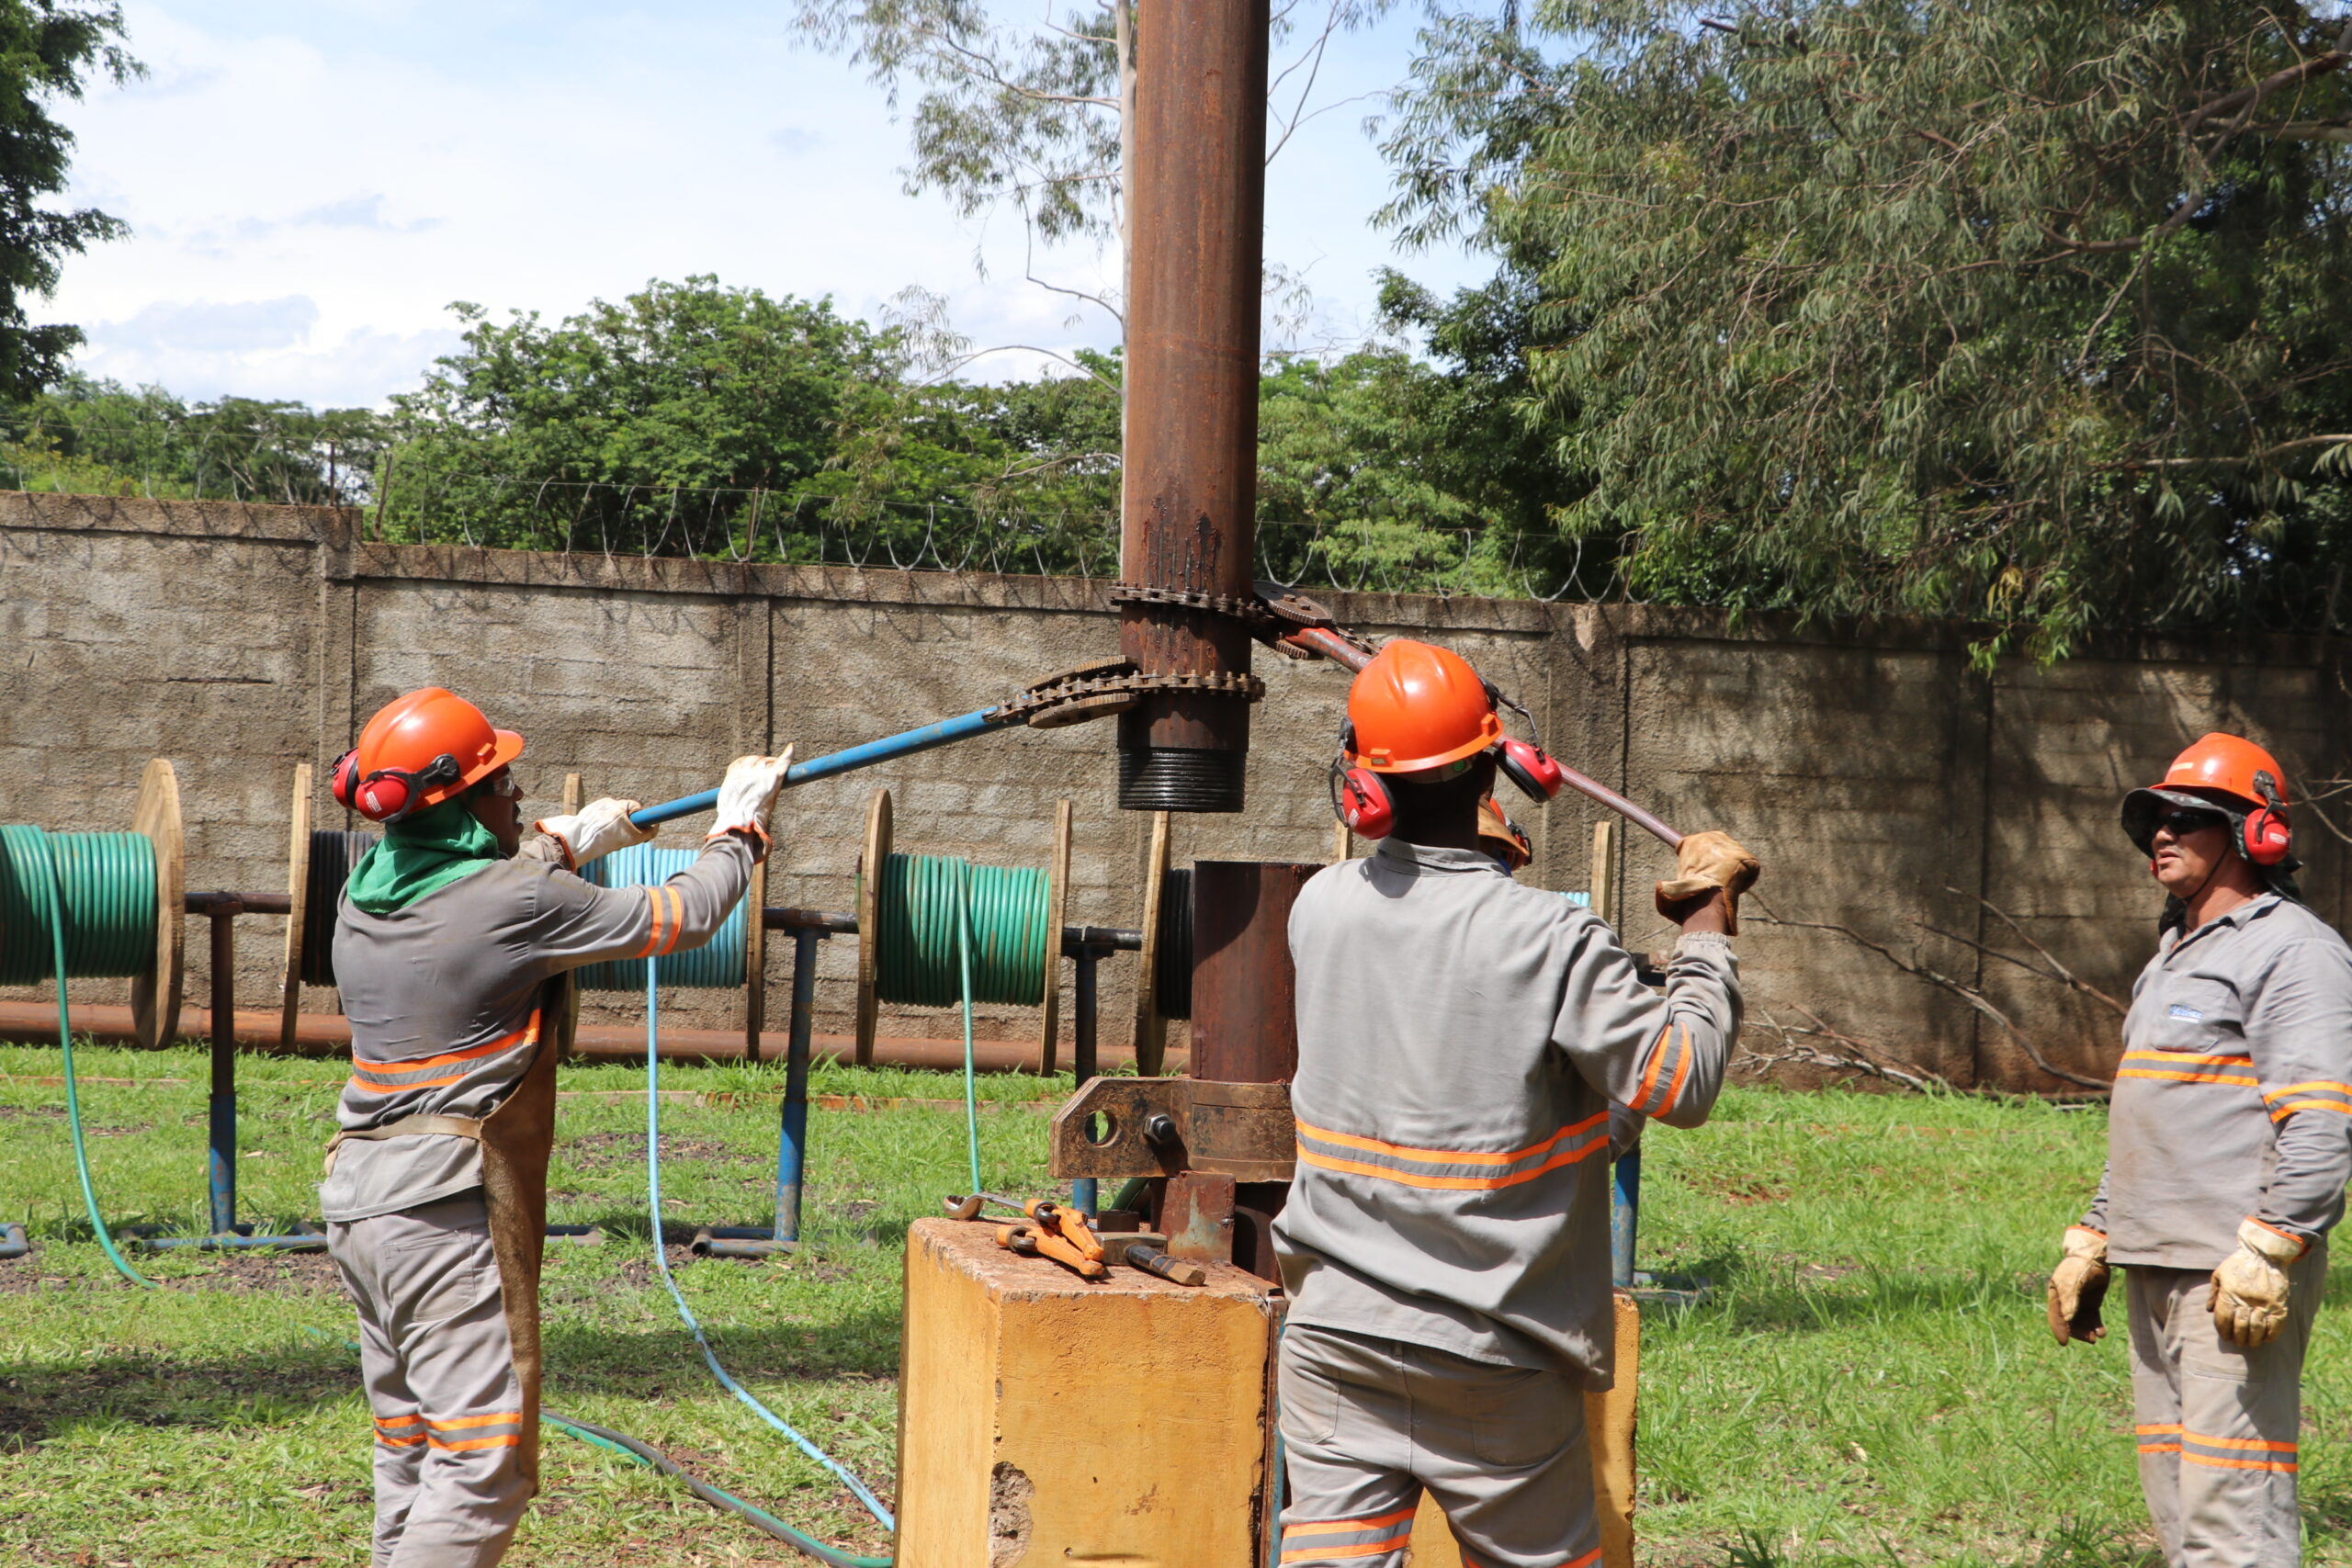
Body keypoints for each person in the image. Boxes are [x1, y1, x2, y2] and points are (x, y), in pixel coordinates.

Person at [1274, 639, 1758, 1568]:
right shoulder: (1552, 937)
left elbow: (1478, 1090)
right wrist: (1703, 928)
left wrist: (1595, 1117)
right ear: (1498, 765)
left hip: (1334, 1335)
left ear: (1363, 788)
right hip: (1490, 1351)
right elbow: (1680, 1083)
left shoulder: (1317, 908)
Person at [320, 686, 791, 1568]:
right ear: (461, 808)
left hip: (360, 1205)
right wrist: (739, 831)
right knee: (482, 1469)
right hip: (441, 1214)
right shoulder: (519, 903)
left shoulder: (361, 896)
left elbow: (486, 881)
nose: (519, 798)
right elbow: (683, 915)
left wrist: (567, 839)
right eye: (503, 787)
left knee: (413, 1445)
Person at [2048, 733, 2352, 1568]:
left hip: (2234, 1277)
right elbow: (2152, 1107)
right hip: (2156, 1265)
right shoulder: (2173, 956)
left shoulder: (2294, 951)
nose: (2162, 833)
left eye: (2189, 816)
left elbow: (2324, 1120)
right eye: (2154, 817)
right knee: (2182, 1513)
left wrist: (2274, 1246)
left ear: (2260, 835)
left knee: (2235, 1515)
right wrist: (2098, 1232)